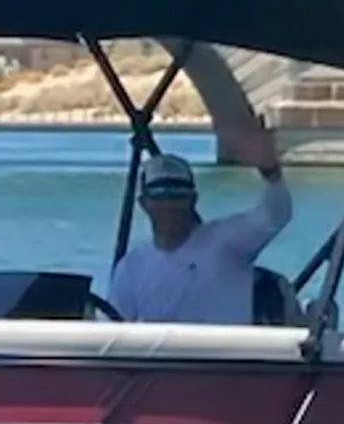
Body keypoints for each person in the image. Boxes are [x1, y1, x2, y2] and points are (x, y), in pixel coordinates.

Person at [106, 124, 292, 325]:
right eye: (160, 197)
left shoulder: (228, 242)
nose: (169, 206)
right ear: (144, 204)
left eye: (178, 196)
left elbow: (275, 214)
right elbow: (112, 330)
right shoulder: (131, 267)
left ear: (193, 200)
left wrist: (271, 172)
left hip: (230, 355)